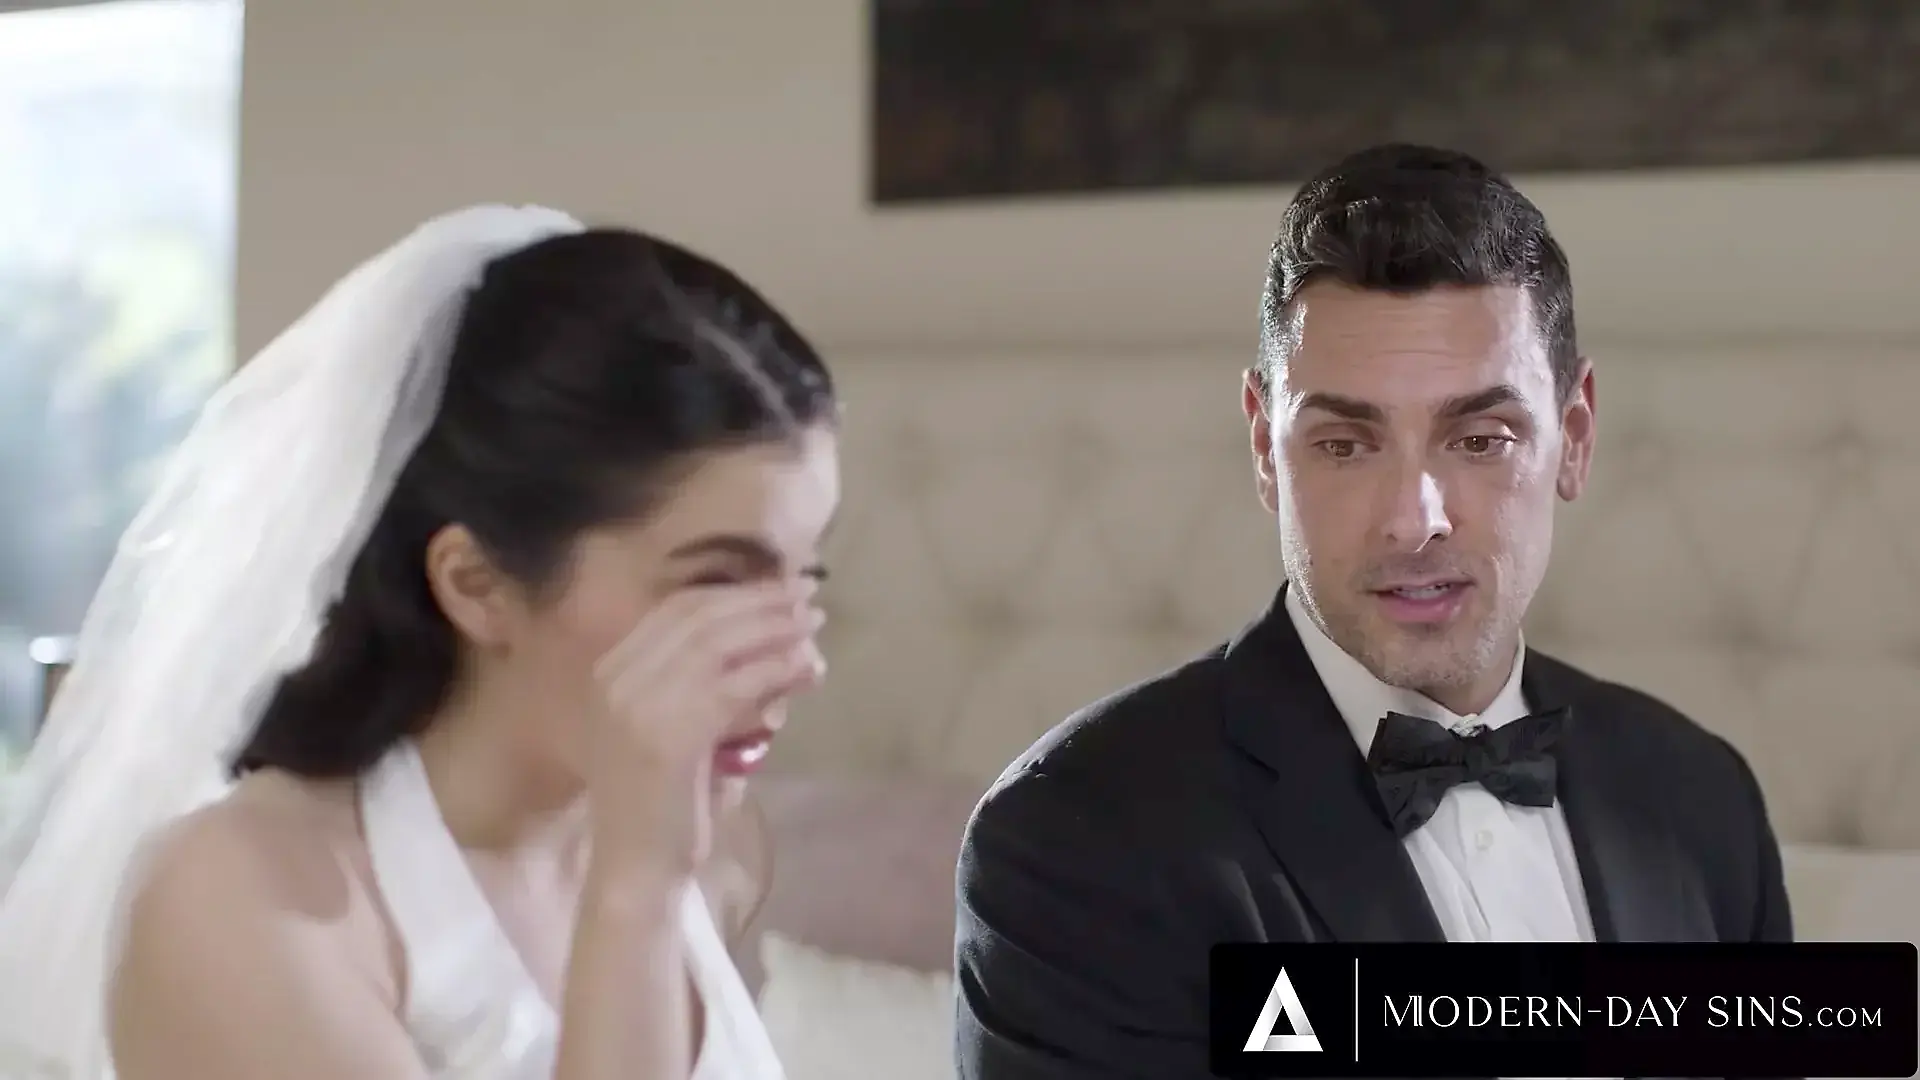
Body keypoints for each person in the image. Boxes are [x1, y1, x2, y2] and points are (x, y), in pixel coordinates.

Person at [953, 144, 1792, 1079]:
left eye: (1480, 438)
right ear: (1265, 449)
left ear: (1575, 436)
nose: (1413, 519)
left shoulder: (1701, 798)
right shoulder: (1072, 837)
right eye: (1346, 445)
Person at [0, 205, 842, 1080]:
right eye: (717, 583)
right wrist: (634, 897)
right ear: (476, 585)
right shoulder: (241, 896)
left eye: (805, 579)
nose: (800, 662)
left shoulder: (709, 848)